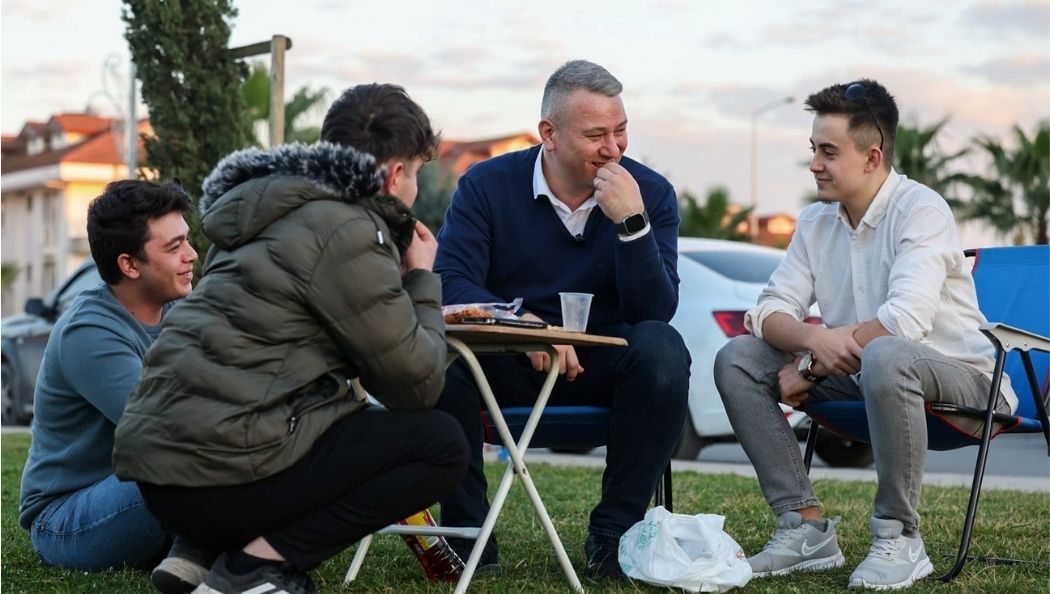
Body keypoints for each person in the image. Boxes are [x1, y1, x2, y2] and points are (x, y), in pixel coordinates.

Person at [112, 84, 469, 594]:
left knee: (333, 412)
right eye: (415, 173)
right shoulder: (349, 228)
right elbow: (416, 386)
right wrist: (420, 278)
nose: (414, 190)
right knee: (441, 443)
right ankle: (256, 568)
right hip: (219, 483)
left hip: (163, 484)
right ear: (395, 176)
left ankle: (197, 554)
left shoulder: (258, 217)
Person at [714, 79, 1017, 590]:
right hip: (865, 376)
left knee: (889, 354)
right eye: (814, 149)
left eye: (829, 152)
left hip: (967, 385)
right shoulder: (814, 223)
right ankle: (805, 529)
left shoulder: (920, 211)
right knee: (739, 358)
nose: (814, 163)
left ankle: (901, 537)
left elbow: (904, 324)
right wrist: (813, 341)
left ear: (873, 156)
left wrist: (809, 365)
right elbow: (767, 312)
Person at [433, 59, 691, 579]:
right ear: (548, 133)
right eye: (596, 134)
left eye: (621, 131)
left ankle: (614, 538)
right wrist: (524, 328)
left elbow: (654, 312)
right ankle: (470, 538)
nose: (613, 148)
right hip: (506, 363)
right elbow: (450, 284)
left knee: (663, 347)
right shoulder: (486, 185)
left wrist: (632, 225)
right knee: (438, 357)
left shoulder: (650, 193)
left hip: (604, 367)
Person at [18, 180, 207, 584]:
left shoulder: (181, 310)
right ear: (129, 264)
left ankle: (211, 551)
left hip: (143, 485)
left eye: (186, 241)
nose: (191, 255)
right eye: (174, 247)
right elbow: (164, 430)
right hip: (67, 517)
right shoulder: (88, 331)